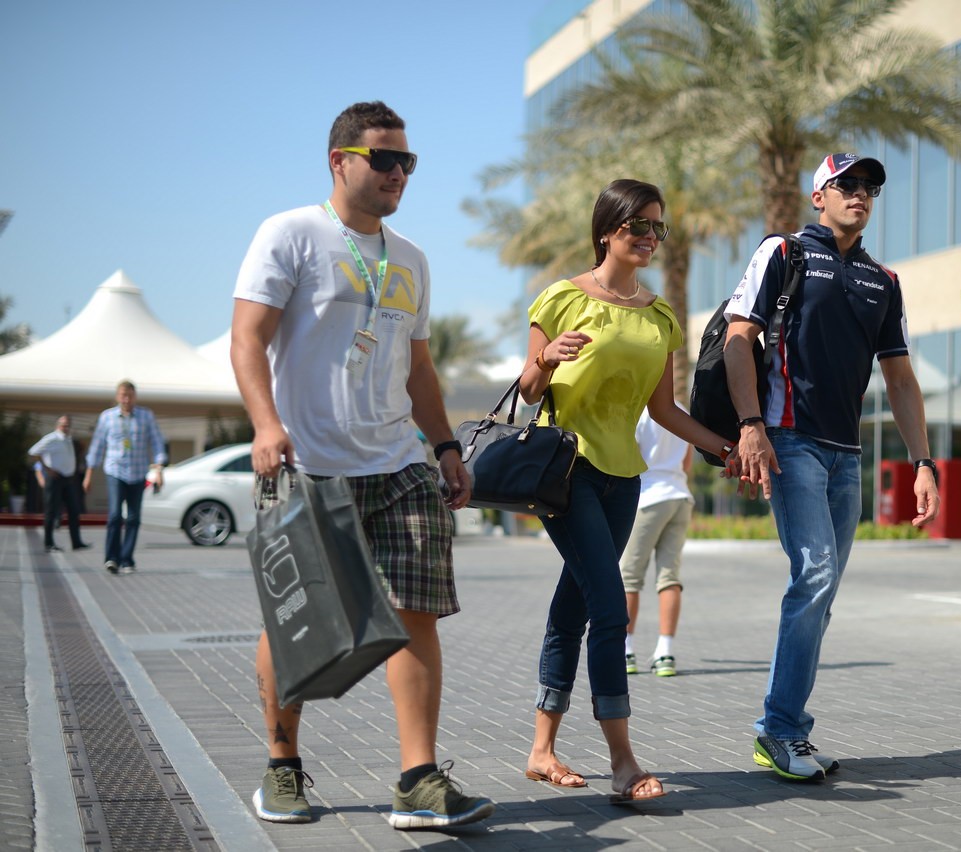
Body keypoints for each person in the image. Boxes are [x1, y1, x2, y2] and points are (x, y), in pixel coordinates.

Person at [230, 100, 493, 830]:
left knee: (417, 615)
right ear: (338, 160)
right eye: (383, 159)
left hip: (396, 461)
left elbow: (417, 368)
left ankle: (417, 781)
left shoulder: (411, 258)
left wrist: (443, 446)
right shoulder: (290, 234)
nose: (398, 174)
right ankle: (282, 769)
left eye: (406, 162)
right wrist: (265, 424)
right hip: (311, 462)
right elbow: (247, 339)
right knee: (299, 619)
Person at [517, 179, 739, 801]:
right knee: (610, 606)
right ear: (607, 229)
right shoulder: (561, 299)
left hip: (625, 479)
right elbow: (529, 392)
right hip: (565, 472)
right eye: (638, 225)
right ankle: (623, 761)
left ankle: (541, 750)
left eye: (657, 228)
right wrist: (548, 359)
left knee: (574, 604)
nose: (649, 237)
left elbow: (663, 409)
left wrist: (724, 446)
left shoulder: (661, 315)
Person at [723, 153, 941, 781]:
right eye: (847, 185)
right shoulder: (784, 253)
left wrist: (922, 460)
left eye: (869, 186)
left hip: (847, 456)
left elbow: (900, 378)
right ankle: (780, 729)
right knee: (815, 575)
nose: (861, 194)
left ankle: (787, 728)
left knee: (823, 593)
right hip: (788, 440)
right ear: (818, 195)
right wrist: (751, 427)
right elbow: (740, 338)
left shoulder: (883, 280)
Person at [619, 407, 694, 678]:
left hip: (648, 497)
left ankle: (625, 650)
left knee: (629, 578)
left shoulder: (638, 411)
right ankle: (665, 652)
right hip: (680, 496)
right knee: (669, 578)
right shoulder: (681, 411)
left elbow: (628, 458)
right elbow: (686, 464)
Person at [84, 381, 167, 574]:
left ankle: (127, 558)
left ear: (135, 397)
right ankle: (111, 558)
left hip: (138, 472)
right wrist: (88, 474)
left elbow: (157, 443)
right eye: (123, 395)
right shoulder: (107, 417)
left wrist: (159, 469)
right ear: (117, 396)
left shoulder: (146, 416)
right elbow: (97, 446)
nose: (126, 399)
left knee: (133, 517)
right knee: (114, 515)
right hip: (115, 471)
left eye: (130, 395)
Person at [29, 415, 90, 553]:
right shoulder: (52, 438)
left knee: (74, 510)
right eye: (63, 425)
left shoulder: (68, 439)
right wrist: (47, 468)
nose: (65, 428)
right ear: (58, 425)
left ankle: (76, 542)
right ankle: (48, 543)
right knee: (51, 511)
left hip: (68, 480)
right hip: (55, 479)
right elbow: (33, 452)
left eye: (67, 425)